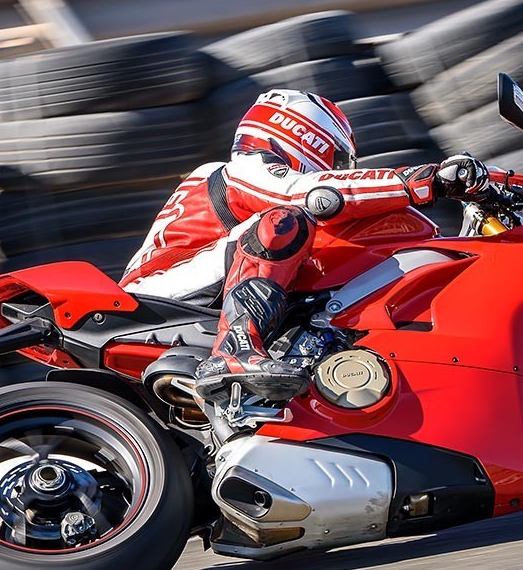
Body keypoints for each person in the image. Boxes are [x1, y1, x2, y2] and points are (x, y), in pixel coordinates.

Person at [120, 89, 493, 403]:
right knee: (285, 221)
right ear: (306, 139)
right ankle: (235, 349)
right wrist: (418, 181)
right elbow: (311, 193)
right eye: (336, 160)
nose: (339, 170)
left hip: (195, 290)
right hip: (155, 297)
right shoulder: (239, 169)